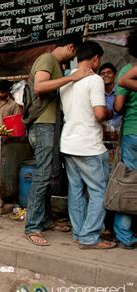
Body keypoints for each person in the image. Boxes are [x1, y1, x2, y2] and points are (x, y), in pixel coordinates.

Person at [23, 33, 94, 246]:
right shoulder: (47, 60)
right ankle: (32, 226)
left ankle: (44, 220)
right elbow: (39, 86)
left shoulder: (54, 63)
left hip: (49, 126)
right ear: (71, 47)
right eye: (75, 54)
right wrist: (72, 77)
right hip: (43, 125)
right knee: (43, 175)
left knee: (47, 174)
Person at [59, 41, 116, 250]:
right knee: (99, 191)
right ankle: (90, 236)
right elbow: (100, 113)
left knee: (75, 191)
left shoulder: (66, 79)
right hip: (88, 145)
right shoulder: (94, 80)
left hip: (69, 143)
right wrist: (111, 112)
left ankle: (79, 232)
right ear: (96, 59)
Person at [113, 29, 137, 250]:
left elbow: (118, 106)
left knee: (128, 183)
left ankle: (124, 236)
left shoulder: (128, 70)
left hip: (132, 132)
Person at [99, 62, 122, 137]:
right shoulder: (96, 94)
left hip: (120, 134)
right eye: (102, 73)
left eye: (109, 73)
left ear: (115, 75)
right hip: (102, 135)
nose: (106, 75)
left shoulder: (121, 93)